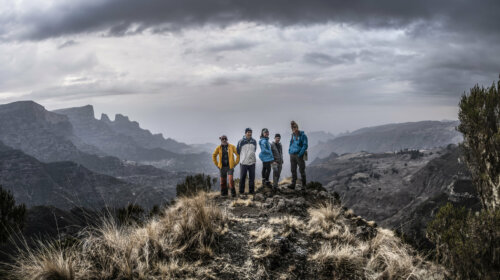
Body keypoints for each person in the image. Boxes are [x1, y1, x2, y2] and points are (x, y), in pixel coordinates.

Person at [288, 121, 308, 190]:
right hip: (292, 155)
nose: (294, 129)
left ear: (297, 127)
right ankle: (293, 184)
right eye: (293, 128)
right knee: (293, 170)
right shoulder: (292, 135)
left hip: (299, 155)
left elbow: (305, 145)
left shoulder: (303, 135)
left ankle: (304, 186)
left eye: (295, 127)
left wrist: (300, 153)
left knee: (302, 170)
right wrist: (289, 150)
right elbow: (291, 143)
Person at [237, 128, 257, 194]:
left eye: (250, 132)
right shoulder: (241, 141)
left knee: (252, 178)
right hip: (243, 163)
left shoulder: (254, 141)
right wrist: (243, 157)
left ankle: (251, 191)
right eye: (248, 132)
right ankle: (241, 192)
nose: (249, 133)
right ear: (245, 133)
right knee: (242, 178)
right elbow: (238, 151)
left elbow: (255, 150)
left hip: (252, 163)